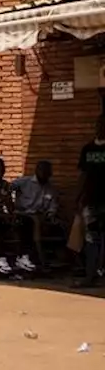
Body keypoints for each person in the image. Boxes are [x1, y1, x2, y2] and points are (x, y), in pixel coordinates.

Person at [12, 160, 58, 268]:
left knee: (60, 226)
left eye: (47, 172)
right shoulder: (24, 182)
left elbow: (53, 206)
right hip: (23, 214)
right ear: (37, 171)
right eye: (42, 170)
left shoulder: (51, 189)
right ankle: (39, 258)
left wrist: (51, 214)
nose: (44, 174)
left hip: (40, 216)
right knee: (33, 222)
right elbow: (6, 189)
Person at [78, 117, 105, 287]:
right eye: (99, 125)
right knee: (91, 240)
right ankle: (90, 276)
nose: (101, 128)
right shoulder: (87, 149)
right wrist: (78, 198)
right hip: (91, 201)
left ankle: (100, 274)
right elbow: (83, 175)